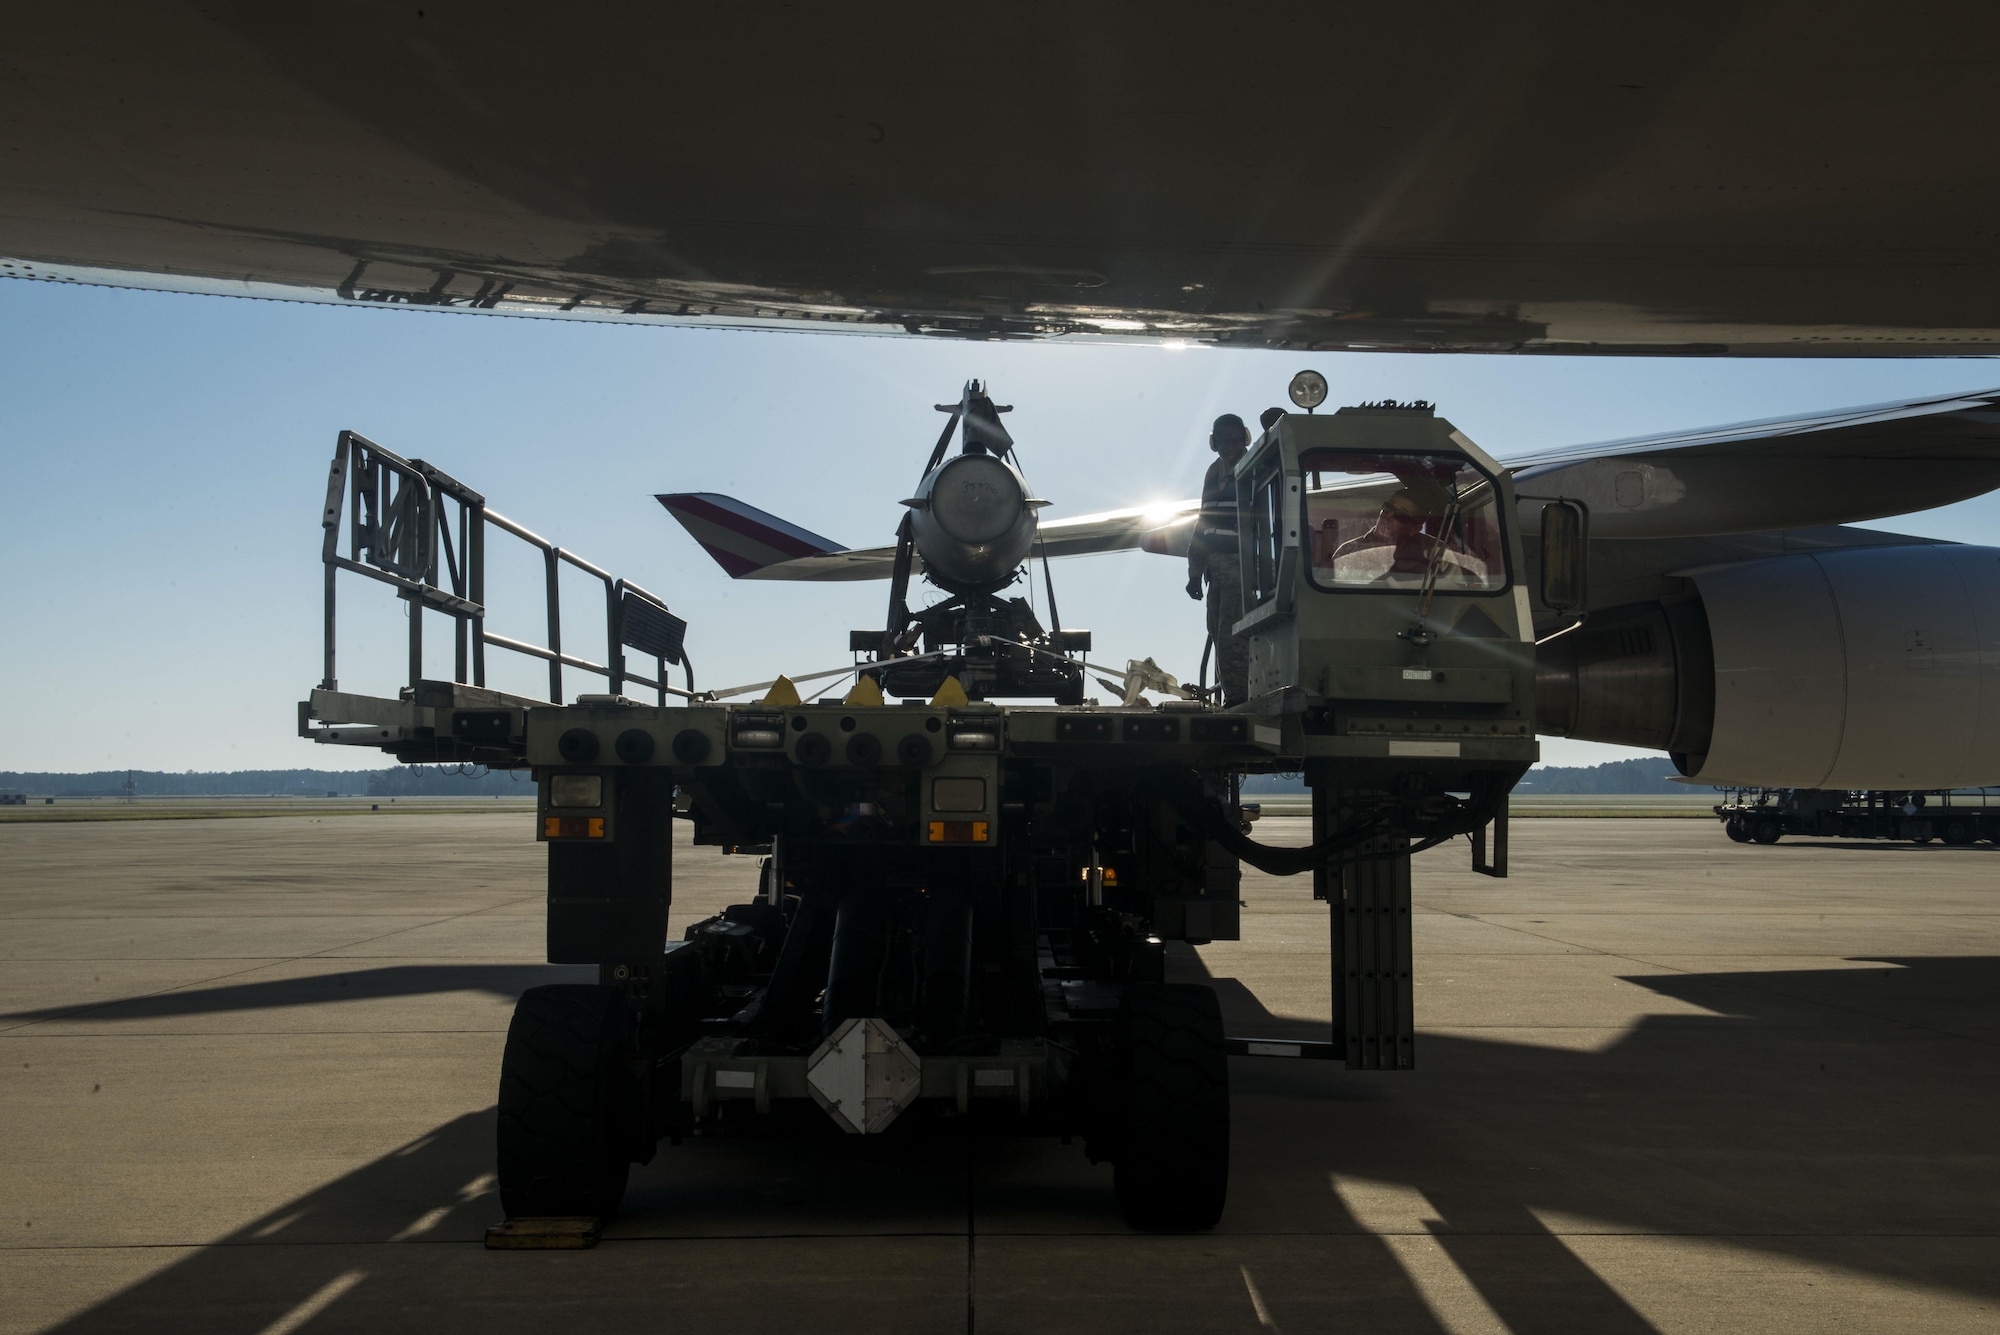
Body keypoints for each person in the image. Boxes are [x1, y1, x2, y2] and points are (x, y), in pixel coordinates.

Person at [1186, 413, 1252, 705]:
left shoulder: (1255, 466)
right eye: (1222, 441)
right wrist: (1194, 572)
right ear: (1213, 442)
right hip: (1216, 569)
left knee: (1231, 635)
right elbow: (1204, 522)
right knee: (1217, 631)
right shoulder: (1214, 473)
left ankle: (1238, 698)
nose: (1228, 446)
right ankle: (1232, 693)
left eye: (1234, 440)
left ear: (1244, 439)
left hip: (1244, 568)